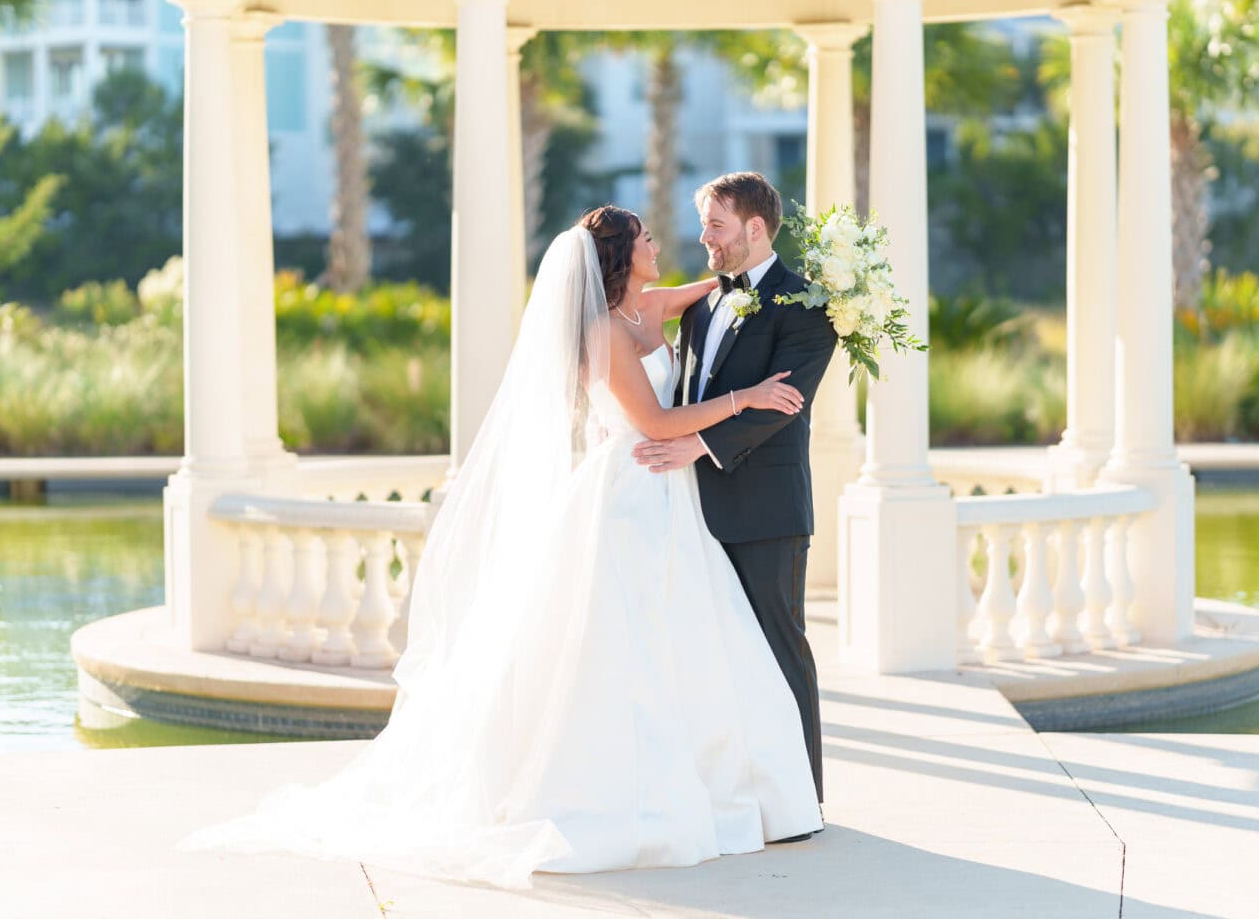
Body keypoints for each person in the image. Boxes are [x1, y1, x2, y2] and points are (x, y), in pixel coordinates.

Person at [180, 204, 824, 889]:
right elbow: (657, 421)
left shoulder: (649, 307)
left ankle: (732, 782)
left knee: (694, 639)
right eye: (645, 238)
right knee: (625, 643)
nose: (660, 243)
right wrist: (746, 397)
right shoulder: (603, 333)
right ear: (617, 257)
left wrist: (789, 282)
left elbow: (729, 289)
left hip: (675, 499)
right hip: (630, 492)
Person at [634, 172, 838, 809]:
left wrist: (697, 445)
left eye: (716, 226)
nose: (704, 239)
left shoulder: (808, 304)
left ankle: (802, 797)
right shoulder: (703, 302)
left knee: (780, 647)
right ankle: (739, 791)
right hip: (690, 509)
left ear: (755, 228)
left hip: (766, 509)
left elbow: (784, 404)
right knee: (719, 658)